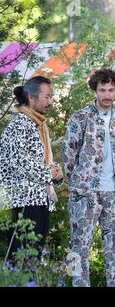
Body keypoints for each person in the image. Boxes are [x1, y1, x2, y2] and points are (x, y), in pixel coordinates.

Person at [62, 68, 115, 287]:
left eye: (111, 90)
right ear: (95, 90)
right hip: (84, 193)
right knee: (78, 247)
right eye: (102, 90)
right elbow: (69, 155)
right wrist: (78, 186)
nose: (107, 95)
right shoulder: (80, 117)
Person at [0, 76, 63, 262]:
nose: (50, 102)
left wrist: (56, 173)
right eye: (47, 97)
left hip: (39, 199)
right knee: (20, 259)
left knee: (32, 260)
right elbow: (20, 163)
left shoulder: (37, 124)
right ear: (31, 98)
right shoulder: (20, 125)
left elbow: (38, 161)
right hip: (24, 201)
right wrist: (48, 173)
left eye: (51, 97)